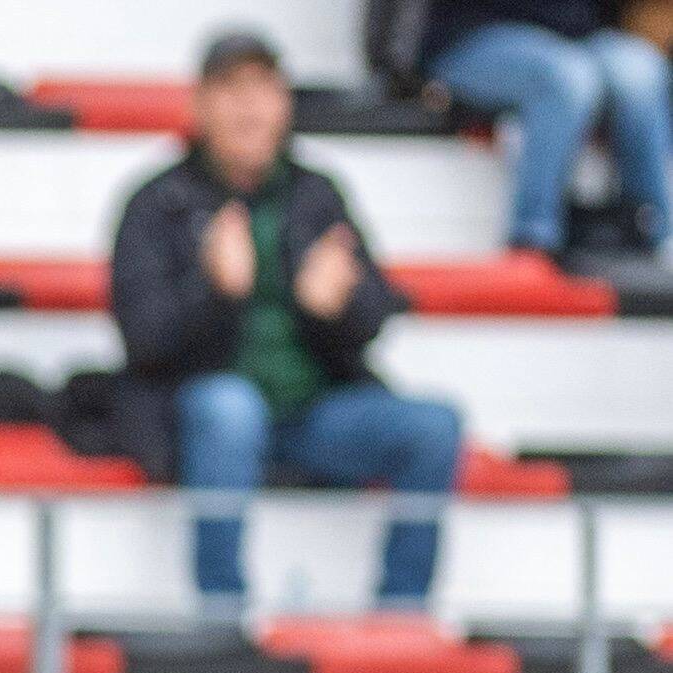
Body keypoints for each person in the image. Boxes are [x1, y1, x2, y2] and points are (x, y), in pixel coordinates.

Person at [112, 28, 464, 617]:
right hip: (204, 413)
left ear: (285, 104)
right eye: (231, 88)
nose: (249, 105)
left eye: (263, 87)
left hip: (314, 412)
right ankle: (222, 615)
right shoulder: (157, 202)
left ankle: (400, 616)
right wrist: (217, 292)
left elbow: (375, 313)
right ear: (199, 105)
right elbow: (143, 343)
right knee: (229, 409)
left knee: (434, 427)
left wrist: (334, 306)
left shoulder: (317, 194)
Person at [426, 0, 673, 268]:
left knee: (641, 69)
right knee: (566, 77)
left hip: (575, 37)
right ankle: (533, 240)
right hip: (476, 36)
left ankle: (655, 233)